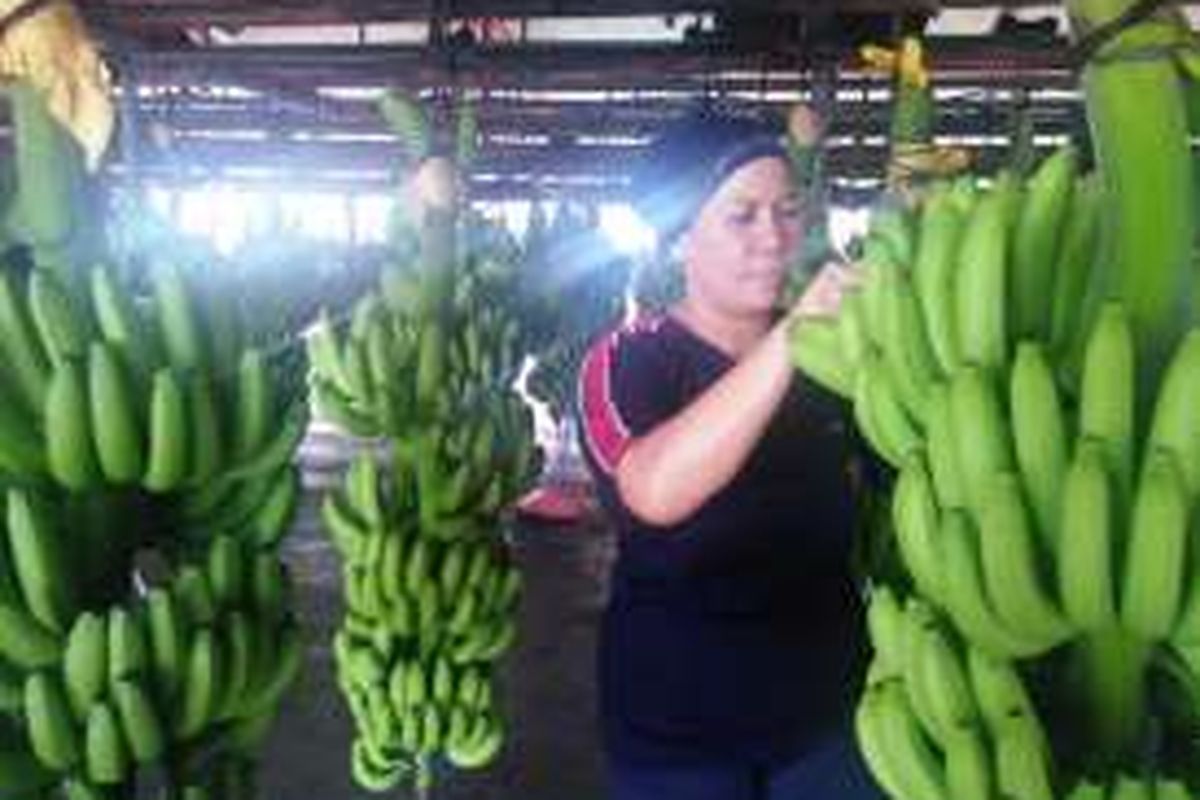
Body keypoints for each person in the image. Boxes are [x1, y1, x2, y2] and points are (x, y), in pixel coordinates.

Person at [575, 106, 880, 800]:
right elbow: (653, 491)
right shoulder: (629, 361)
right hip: (678, 740)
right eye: (741, 216)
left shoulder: (843, 358)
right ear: (679, 239)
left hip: (829, 726)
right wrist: (792, 335)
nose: (773, 237)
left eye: (786, 211)